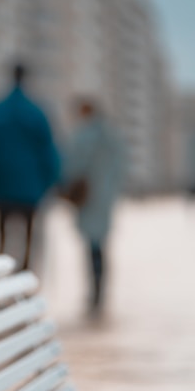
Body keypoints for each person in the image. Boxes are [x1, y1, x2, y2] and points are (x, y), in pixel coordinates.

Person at [0, 64, 61, 270]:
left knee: (1, 237)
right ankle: (25, 276)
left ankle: (0, 276)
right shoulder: (37, 112)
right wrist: (51, 181)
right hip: (30, 189)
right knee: (30, 239)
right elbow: (48, 151)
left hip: (0, 186)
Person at [62, 98, 126, 315]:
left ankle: (95, 291)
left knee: (92, 247)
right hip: (105, 200)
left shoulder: (83, 136)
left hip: (89, 199)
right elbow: (120, 168)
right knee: (100, 245)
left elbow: (72, 166)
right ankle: (100, 290)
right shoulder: (112, 136)